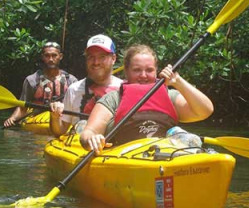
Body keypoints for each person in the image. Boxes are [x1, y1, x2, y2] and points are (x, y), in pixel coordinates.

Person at [79, 44, 213, 152]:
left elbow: (204, 111)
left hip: (165, 155)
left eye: (149, 70)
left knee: (181, 135)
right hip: (124, 157)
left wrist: (178, 81)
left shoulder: (169, 95)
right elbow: (88, 132)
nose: (143, 75)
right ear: (126, 71)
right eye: (137, 70)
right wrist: (92, 139)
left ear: (156, 71)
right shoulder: (113, 99)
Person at [48, 34, 122, 136]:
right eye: (91, 57)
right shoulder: (74, 89)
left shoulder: (124, 89)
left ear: (113, 59)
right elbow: (59, 131)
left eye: (102, 57)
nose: (96, 62)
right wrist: (55, 117)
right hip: (79, 147)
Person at [3, 41, 78, 127]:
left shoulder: (71, 81)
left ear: (60, 56)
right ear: (42, 57)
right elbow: (22, 106)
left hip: (63, 119)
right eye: (47, 56)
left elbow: (77, 106)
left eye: (54, 55)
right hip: (37, 119)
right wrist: (12, 118)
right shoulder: (32, 80)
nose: (50, 59)